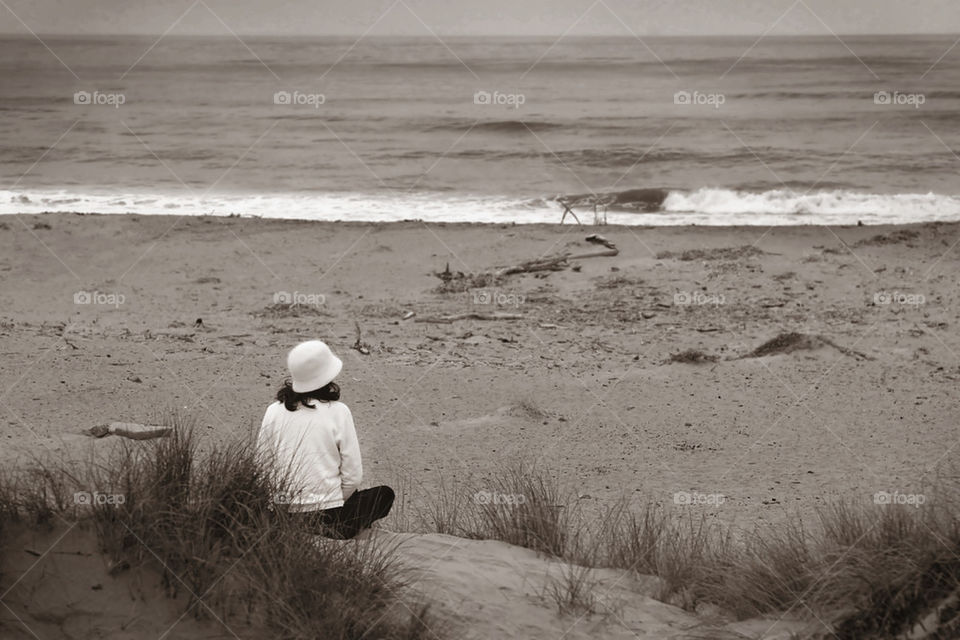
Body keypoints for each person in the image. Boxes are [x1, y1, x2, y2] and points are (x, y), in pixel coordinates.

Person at [257, 340, 394, 539]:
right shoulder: (339, 411)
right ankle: (337, 529)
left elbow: (262, 467)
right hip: (331, 516)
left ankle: (289, 526)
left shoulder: (273, 411)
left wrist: (281, 503)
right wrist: (335, 500)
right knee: (384, 494)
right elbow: (353, 475)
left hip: (284, 512)